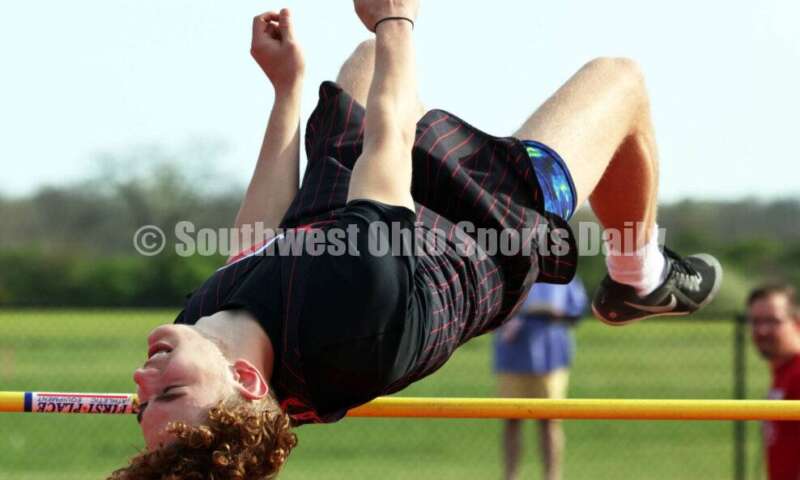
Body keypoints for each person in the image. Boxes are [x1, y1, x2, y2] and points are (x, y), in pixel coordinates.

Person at [110, 0, 723, 477]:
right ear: (246, 379)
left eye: (145, 403)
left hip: (340, 215)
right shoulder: (351, 315)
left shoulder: (200, 331)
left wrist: (288, 90)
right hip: (480, 226)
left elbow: (257, 243)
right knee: (619, 81)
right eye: (169, 390)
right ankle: (639, 278)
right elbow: (389, 141)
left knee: (366, 60)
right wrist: (398, 17)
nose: (142, 379)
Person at [494, 277, 587, 480]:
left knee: (549, 421)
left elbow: (576, 311)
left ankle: (552, 476)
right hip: (513, 358)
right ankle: (510, 476)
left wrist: (550, 313)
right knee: (511, 420)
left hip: (550, 359)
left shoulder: (563, 276)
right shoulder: (509, 269)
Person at [747, 284, 800, 480]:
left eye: (772, 321)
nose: (762, 331)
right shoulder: (784, 372)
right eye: (755, 321)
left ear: (796, 323)